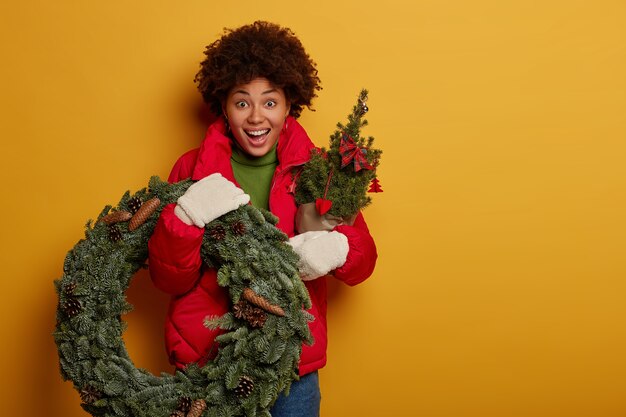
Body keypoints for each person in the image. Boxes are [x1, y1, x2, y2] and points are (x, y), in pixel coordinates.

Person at [148, 21, 377, 417]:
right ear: (224, 105)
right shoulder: (191, 169)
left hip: (292, 366)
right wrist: (185, 219)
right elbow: (169, 278)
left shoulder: (319, 171)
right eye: (242, 102)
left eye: (269, 102)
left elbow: (363, 262)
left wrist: (339, 247)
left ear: (290, 104)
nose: (256, 117)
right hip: (207, 363)